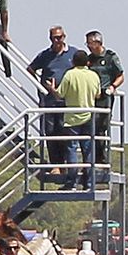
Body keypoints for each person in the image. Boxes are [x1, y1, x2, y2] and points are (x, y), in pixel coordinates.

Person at [26, 25, 84, 174]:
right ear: (50, 38)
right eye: (54, 38)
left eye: (60, 37)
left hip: (67, 100)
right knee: (50, 132)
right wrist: (41, 85)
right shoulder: (45, 55)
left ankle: (65, 165)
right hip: (49, 100)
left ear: (64, 37)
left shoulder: (73, 53)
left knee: (65, 132)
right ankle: (55, 165)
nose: (57, 40)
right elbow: (31, 69)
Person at [56, 51, 102, 189]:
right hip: (89, 116)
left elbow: (60, 94)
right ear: (87, 62)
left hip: (72, 118)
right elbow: (98, 94)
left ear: (73, 62)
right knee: (87, 149)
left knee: (71, 149)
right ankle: (89, 183)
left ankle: (72, 182)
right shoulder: (94, 75)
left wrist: (52, 89)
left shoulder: (70, 74)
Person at [84, 29, 125, 140]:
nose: (88, 46)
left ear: (98, 43)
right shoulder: (89, 59)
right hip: (91, 96)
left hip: (104, 95)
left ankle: (100, 155)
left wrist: (113, 87)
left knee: (101, 125)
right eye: (87, 43)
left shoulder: (110, 57)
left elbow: (120, 76)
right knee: (89, 125)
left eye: (90, 43)